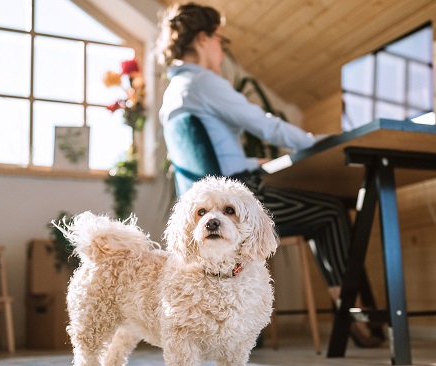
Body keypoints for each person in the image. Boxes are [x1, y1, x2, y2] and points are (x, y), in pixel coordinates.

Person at [156, 3, 382, 347]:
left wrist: (249, 159)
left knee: (325, 209)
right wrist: (316, 141)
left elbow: (209, 155)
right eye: (220, 39)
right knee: (330, 211)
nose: (221, 49)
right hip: (241, 202)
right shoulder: (203, 81)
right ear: (203, 38)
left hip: (215, 202)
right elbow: (266, 125)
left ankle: (351, 316)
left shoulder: (174, 93)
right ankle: (352, 320)